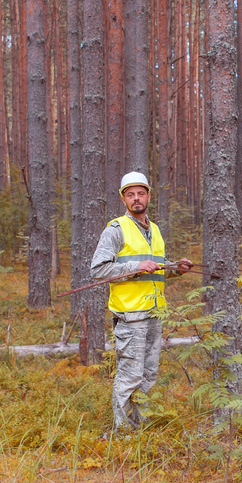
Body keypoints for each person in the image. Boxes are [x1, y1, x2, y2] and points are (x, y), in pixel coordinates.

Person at [91, 172, 193, 433]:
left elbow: (156, 270)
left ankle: (140, 428)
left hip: (154, 315)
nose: (136, 198)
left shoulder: (155, 230)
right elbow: (98, 270)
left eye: (140, 193)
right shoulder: (116, 229)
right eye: (130, 194)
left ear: (148, 195)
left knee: (148, 377)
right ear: (124, 199)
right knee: (129, 377)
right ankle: (123, 434)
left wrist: (176, 268)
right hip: (131, 316)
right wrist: (137, 266)